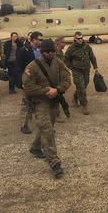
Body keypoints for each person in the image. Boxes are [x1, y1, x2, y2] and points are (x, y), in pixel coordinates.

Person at [22, 39, 71, 178]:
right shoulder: (33, 66)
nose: (50, 53)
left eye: (52, 51)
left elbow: (67, 78)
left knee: (46, 126)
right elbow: (27, 86)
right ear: (42, 52)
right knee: (47, 129)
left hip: (55, 99)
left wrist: (58, 89)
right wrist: (45, 91)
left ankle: (36, 148)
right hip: (40, 102)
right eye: (47, 51)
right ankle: (55, 163)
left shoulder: (58, 63)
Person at [15, 31, 43, 134]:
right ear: (34, 40)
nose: (42, 41)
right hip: (28, 82)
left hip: (40, 82)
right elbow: (18, 67)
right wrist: (21, 82)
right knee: (26, 104)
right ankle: (24, 125)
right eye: (40, 39)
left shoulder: (42, 50)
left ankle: (43, 125)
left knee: (41, 103)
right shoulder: (23, 51)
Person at [64, 31, 98, 115]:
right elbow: (66, 59)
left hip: (86, 69)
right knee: (81, 86)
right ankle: (84, 105)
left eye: (81, 38)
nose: (80, 40)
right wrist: (69, 68)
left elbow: (92, 57)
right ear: (75, 39)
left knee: (84, 85)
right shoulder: (71, 48)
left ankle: (75, 97)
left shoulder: (87, 46)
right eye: (78, 38)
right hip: (76, 70)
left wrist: (95, 66)